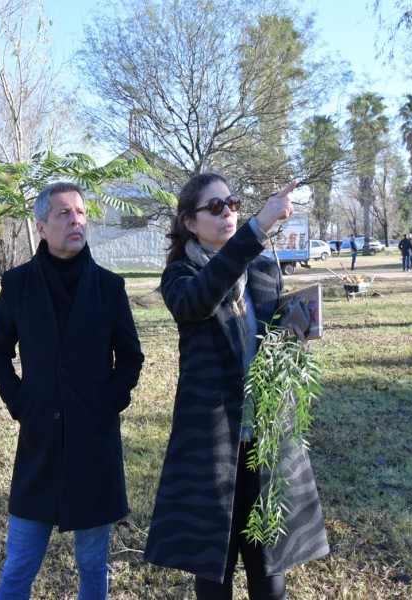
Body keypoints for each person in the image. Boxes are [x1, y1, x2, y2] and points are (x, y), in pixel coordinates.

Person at [144, 173, 328, 600]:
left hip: (266, 438)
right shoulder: (180, 275)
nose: (227, 213)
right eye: (215, 207)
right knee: (214, 570)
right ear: (190, 222)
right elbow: (201, 299)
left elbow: (274, 336)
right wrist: (256, 229)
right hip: (212, 444)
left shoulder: (264, 267)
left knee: (269, 569)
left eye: (232, 203)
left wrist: (296, 331)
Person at [0, 181, 145, 600]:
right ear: (41, 227)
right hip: (38, 443)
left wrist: (108, 403)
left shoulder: (110, 288)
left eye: (81, 213)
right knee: (19, 566)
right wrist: (20, 402)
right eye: (64, 213)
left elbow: (131, 358)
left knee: (93, 566)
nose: (76, 220)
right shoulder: (17, 285)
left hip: (93, 444)